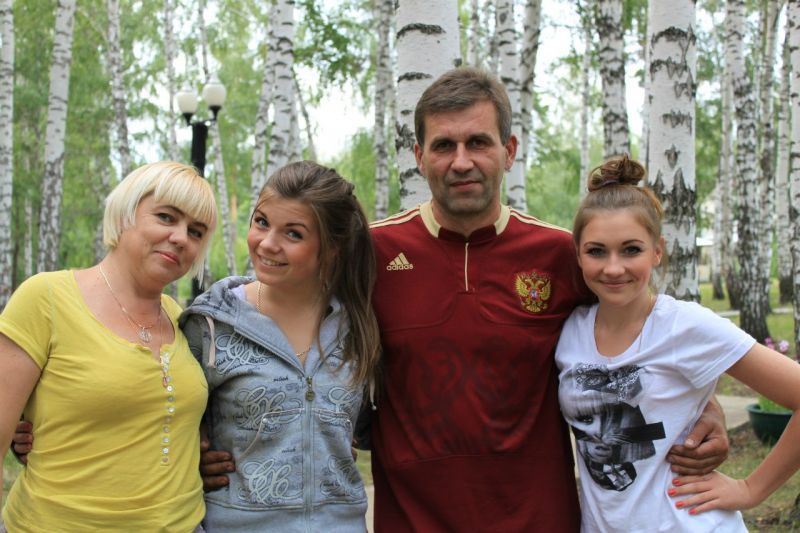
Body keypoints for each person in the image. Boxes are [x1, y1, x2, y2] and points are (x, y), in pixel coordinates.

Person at [119, 67, 728, 531]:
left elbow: (640, 330)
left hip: (537, 515)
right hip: (410, 518)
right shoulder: (371, 252)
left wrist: (705, 408)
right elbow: (272, 309)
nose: (461, 162)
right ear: (419, 156)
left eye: (478, 143)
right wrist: (201, 435)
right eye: (443, 145)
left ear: (509, 151)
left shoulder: (558, 254)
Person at [556, 155, 800, 532]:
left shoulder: (685, 326)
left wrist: (750, 489)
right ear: (578, 254)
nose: (614, 267)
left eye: (631, 249)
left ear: (657, 251)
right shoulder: (570, 331)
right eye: (597, 251)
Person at [0, 161, 217, 531]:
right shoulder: (46, 298)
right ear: (124, 214)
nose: (181, 237)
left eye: (195, 232)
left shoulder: (180, 318)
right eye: (166, 217)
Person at [177, 161, 381, 531]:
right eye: (261, 222)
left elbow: (372, 429)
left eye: (293, 234)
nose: (268, 243)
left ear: (332, 248)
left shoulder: (359, 327)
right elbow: (166, 428)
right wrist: (191, 459)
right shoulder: (209, 325)